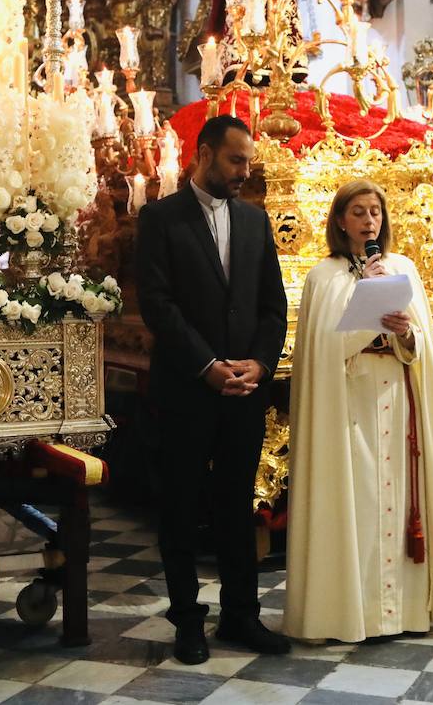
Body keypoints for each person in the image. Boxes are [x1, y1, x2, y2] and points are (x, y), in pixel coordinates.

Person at [283, 179, 433, 642]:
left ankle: (404, 614)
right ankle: (351, 613)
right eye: (360, 212)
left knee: (400, 500)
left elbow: (422, 346)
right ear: (341, 221)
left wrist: (407, 334)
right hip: (349, 403)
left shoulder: (401, 268)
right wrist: (365, 316)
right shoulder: (323, 277)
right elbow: (322, 352)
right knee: (358, 501)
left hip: (397, 399)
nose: (370, 221)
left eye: (376, 212)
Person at [136, 114, 289, 665]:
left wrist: (259, 364)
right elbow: (157, 304)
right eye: (235, 159)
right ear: (204, 154)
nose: (245, 170)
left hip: (244, 392)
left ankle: (241, 616)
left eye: (248, 161)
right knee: (179, 506)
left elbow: (274, 306)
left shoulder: (253, 220)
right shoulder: (161, 218)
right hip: (186, 388)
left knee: (235, 506)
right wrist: (205, 365)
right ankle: (187, 622)